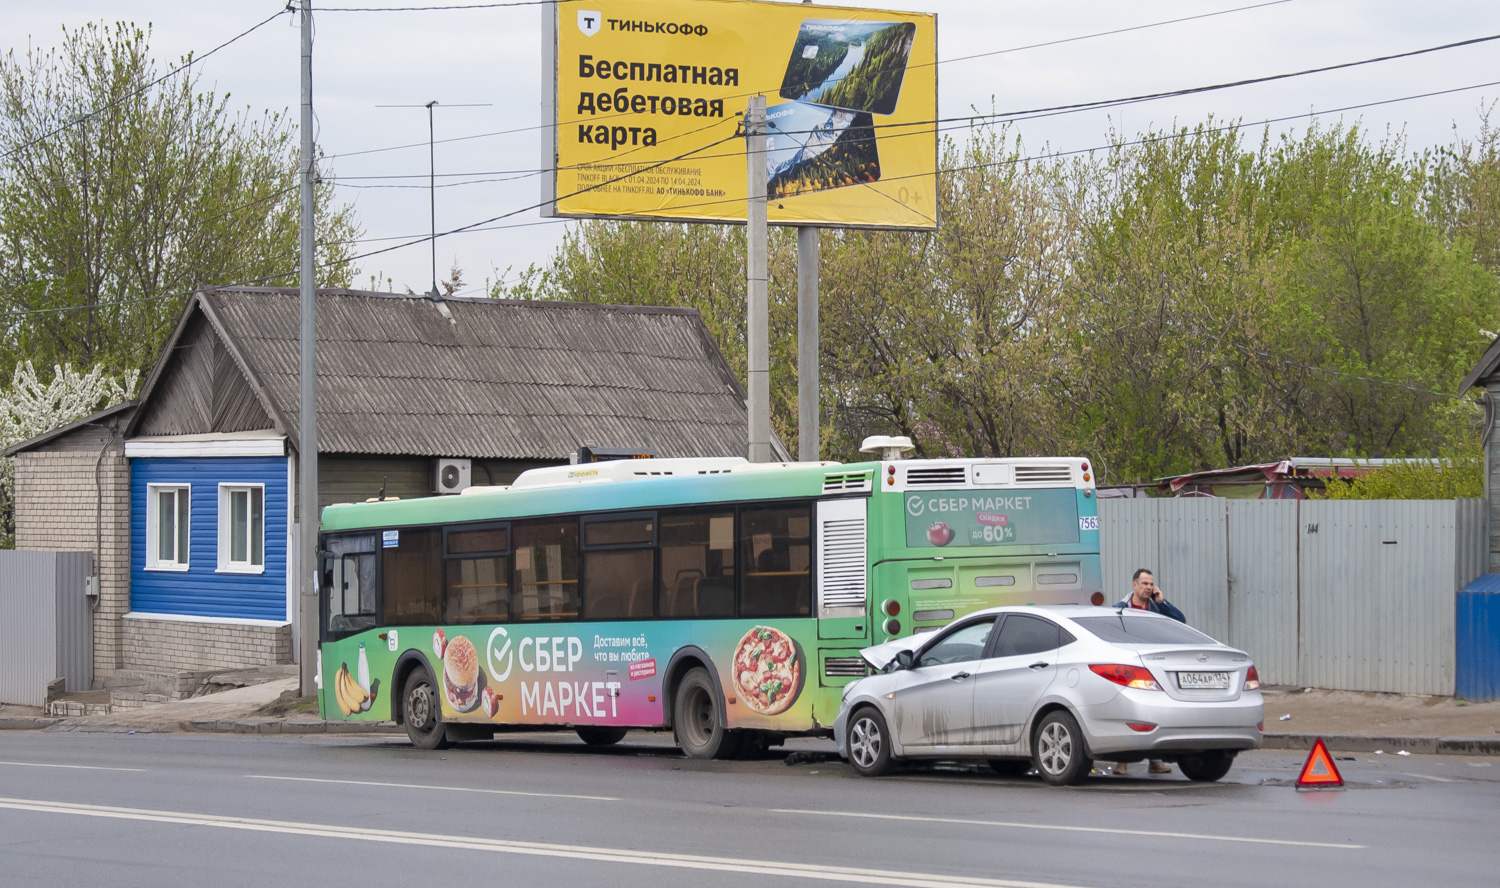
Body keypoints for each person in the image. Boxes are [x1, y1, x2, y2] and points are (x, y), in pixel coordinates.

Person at [1112, 568, 1185, 775]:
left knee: (1154, 711)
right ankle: (1121, 761)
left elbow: (1181, 621)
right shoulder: (1120, 608)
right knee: (1126, 712)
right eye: (1144, 583)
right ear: (1134, 585)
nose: (1149, 587)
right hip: (1129, 667)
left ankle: (1155, 760)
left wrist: (1163, 603)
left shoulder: (1157, 607)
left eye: (1151, 584)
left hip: (1153, 666)